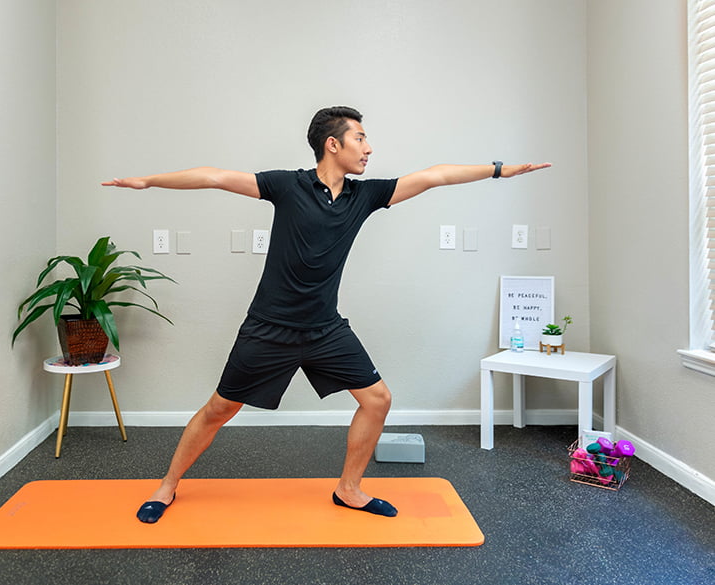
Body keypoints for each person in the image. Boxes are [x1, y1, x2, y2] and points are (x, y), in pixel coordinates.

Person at [103, 106, 551, 523]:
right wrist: (148, 181)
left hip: (324, 329)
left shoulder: (365, 196)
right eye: (360, 137)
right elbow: (216, 177)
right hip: (269, 327)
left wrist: (499, 170)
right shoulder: (286, 185)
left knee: (377, 400)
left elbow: (434, 176)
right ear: (333, 145)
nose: (369, 147)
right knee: (221, 407)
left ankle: (350, 489)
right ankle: (166, 487)